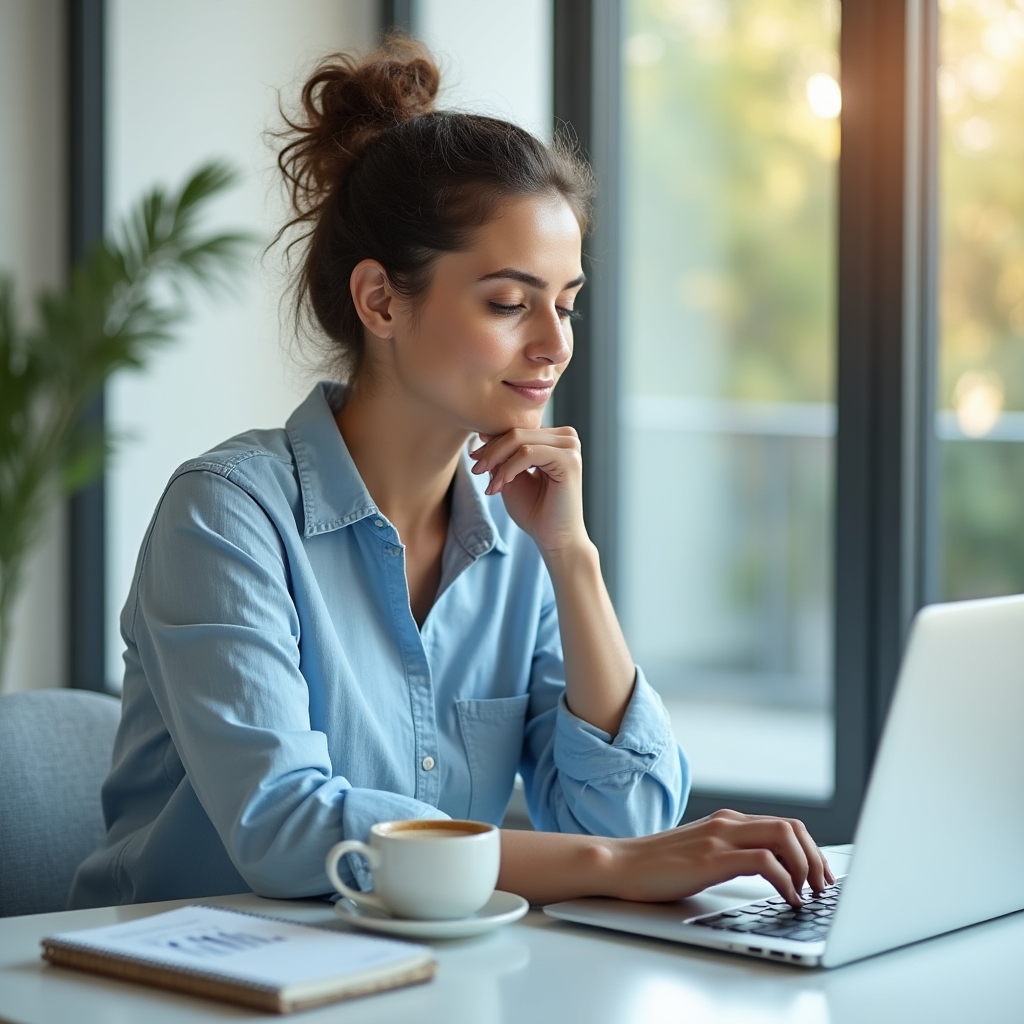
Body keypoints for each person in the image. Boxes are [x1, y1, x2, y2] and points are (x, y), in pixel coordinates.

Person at [70, 39, 832, 911]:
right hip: (180, 985)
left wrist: (573, 559)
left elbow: (623, 817)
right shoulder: (224, 517)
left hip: (419, 980)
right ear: (382, 301)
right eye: (510, 304)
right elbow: (283, 829)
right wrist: (612, 870)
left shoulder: (520, 533)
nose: (554, 343)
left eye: (567, 302)